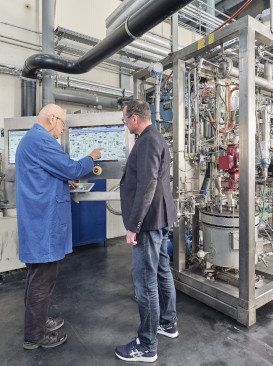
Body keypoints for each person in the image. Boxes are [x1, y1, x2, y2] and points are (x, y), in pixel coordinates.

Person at [15, 104, 103, 350]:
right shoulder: (42, 141)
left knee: (36, 276)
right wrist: (91, 157)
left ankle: (38, 321)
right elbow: (71, 168)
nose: (64, 128)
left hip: (37, 219)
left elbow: (49, 173)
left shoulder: (32, 139)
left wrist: (65, 181)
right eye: (63, 123)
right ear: (52, 118)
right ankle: (35, 335)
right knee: (44, 278)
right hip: (43, 221)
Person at [115, 100, 178, 363]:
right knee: (162, 271)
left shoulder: (148, 140)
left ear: (134, 118)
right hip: (159, 220)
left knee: (145, 282)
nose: (125, 124)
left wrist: (133, 226)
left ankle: (147, 344)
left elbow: (148, 185)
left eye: (124, 120)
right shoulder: (153, 137)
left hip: (149, 223)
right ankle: (168, 322)